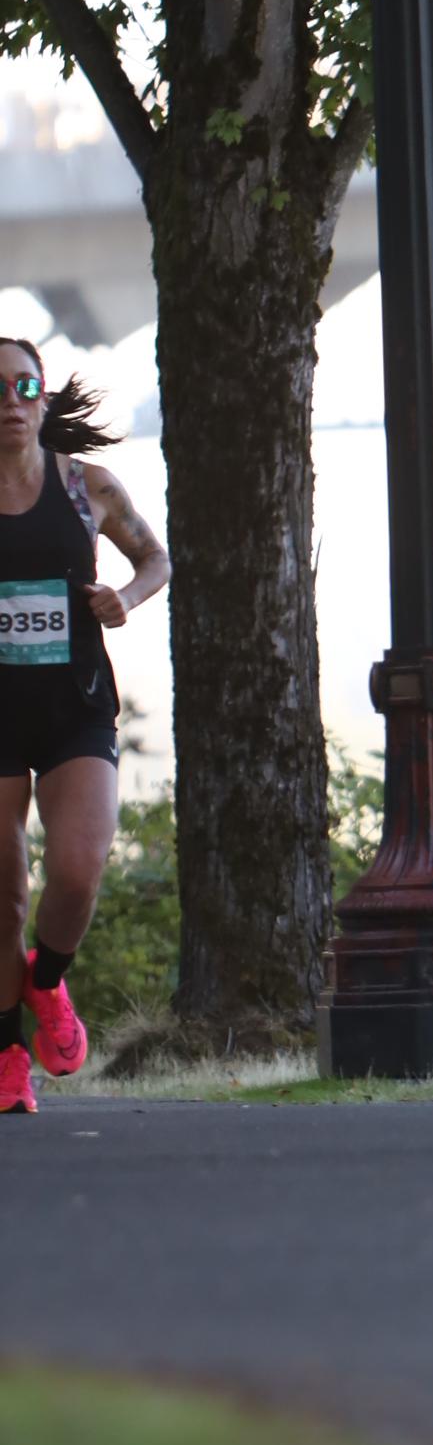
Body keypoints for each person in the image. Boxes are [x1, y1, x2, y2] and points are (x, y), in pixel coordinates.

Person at [0, 337, 171, 1114]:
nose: (10, 401)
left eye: (23, 385)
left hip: (75, 706)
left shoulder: (86, 486)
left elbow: (156, 560)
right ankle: (8, 1056)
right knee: (3, 897)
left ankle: (46, 981)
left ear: (41, 398)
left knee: (76, 871)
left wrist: (123, 600)